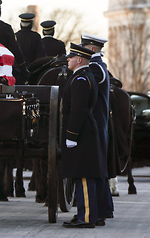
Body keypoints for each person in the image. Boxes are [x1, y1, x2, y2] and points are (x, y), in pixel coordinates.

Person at [61, 43, 103, 228]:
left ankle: (86, 218)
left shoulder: (80, 80)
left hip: (82, 133)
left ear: (79, 60)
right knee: (83, 175)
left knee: (84, 175)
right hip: (85, 132)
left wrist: (71, 135)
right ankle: (87, 214)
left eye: (70, 57)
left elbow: (77, 110)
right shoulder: (83, 77)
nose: (67, 59)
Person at [81, 33, 113, 224]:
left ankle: (99, 210)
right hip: (100, 123)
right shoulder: (100, 66)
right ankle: (105, 208)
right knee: (100, 168)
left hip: (95, 124)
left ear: (91, 49)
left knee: (96, 168)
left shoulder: (94, 68)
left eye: (84, 47)